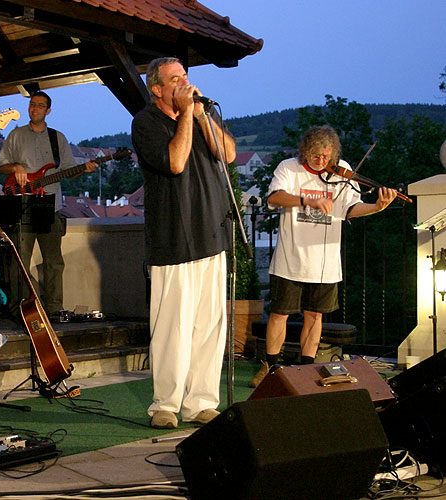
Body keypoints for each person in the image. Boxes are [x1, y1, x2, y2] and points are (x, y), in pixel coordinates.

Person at [131, 57, 236, 429]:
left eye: (186, 77)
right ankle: (166, 404)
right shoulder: (146, 122)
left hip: (211, 234)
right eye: (175, 79)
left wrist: (202, 115)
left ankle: (202, 402)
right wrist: (187, 116)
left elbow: (229, 153)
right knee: (172, 326)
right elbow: (175, 162)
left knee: (209, 327)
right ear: (158, 89)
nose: (185, 84)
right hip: (173, 239)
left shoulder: (201, 116)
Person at [250, 125, 396, 388]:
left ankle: (306, 369)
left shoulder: (342, 170)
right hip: (290, 256)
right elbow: (275, 196)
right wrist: (309, 201)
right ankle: (270, 367)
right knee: (280, 313)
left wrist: (377, 206)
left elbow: (350, 208)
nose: (322, 162)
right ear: (305, 152)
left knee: (315, 315)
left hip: (325, 261)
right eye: (316, 156)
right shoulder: (288, 167)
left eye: (326, 156)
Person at [0, 91, 97, 316]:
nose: (35, 109)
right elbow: (2, 166)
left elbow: (68, 170)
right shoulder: (15, 135)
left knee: (53, 262)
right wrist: (16, 168)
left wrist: (84, 168)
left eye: (40, 106)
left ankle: (53, 309)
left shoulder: (57, 138)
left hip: (49, 206)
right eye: (32, 105)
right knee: (18, 262)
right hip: (21, 204)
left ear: (48, 111)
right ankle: (21, 308)